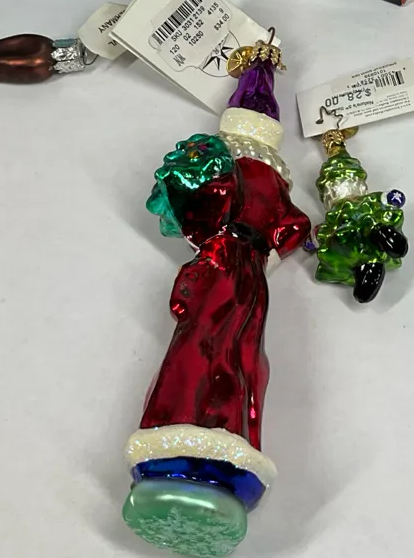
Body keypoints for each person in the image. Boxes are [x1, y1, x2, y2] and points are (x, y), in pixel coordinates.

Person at [122, 44, 310, 557]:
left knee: (208, 344)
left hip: (224, 262)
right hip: (243, 268)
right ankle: (221, 442)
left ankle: (179, 438)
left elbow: (199, 213)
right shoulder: (265, 179)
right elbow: (293, 228)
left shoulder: (232, 173)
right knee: (234, 351)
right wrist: (283, 246)